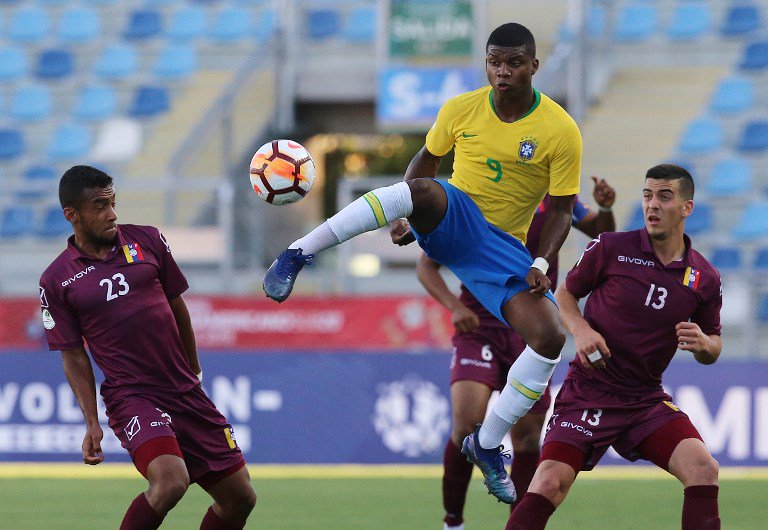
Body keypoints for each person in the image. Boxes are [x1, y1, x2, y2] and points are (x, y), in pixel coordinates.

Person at [263, 22, 581, 504]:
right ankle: (298, 252)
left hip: (501, 250)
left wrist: (540, 258)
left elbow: (560, 210)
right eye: (495, 61)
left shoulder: (559, 128)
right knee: (424, 190)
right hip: (458, 216)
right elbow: (424, 164)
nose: (503, 72)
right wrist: (408, 214)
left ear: (534, 66)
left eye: (514, 63)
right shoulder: (461, 108)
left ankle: (488, 443)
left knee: (550, 337)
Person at [39, 166, 257, 530]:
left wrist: (195, 373)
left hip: (185, 390)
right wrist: (92, 422)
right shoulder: (56, 279)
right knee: (171, 482)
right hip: (133, 395)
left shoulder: (149, 241)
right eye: (99, 205)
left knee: (240, 499)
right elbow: (73, 354)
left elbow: (178, 310)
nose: (112, 213)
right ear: (71, 215)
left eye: (112, 202)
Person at [506, 164, 723, 530]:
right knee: (548, 484)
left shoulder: (704, 277)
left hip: (644, 401)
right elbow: (565, 293)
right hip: (589, 392)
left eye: (664, 196)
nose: (652, 205)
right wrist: (582, 330)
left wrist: (703, 344)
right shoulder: (610, 247)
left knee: (703, 468)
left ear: (687, 208)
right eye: (647, 195)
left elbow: (714, 344)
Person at [420, 178, 616, 530]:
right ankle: (453, 523)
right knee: (466, 425)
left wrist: (604, 208)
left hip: (534, 331)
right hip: (479, 324)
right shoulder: (485, 190)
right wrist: (453, 307)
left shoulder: (561, 198)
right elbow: (426, 265)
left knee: (527, 436)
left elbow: (602, 233)